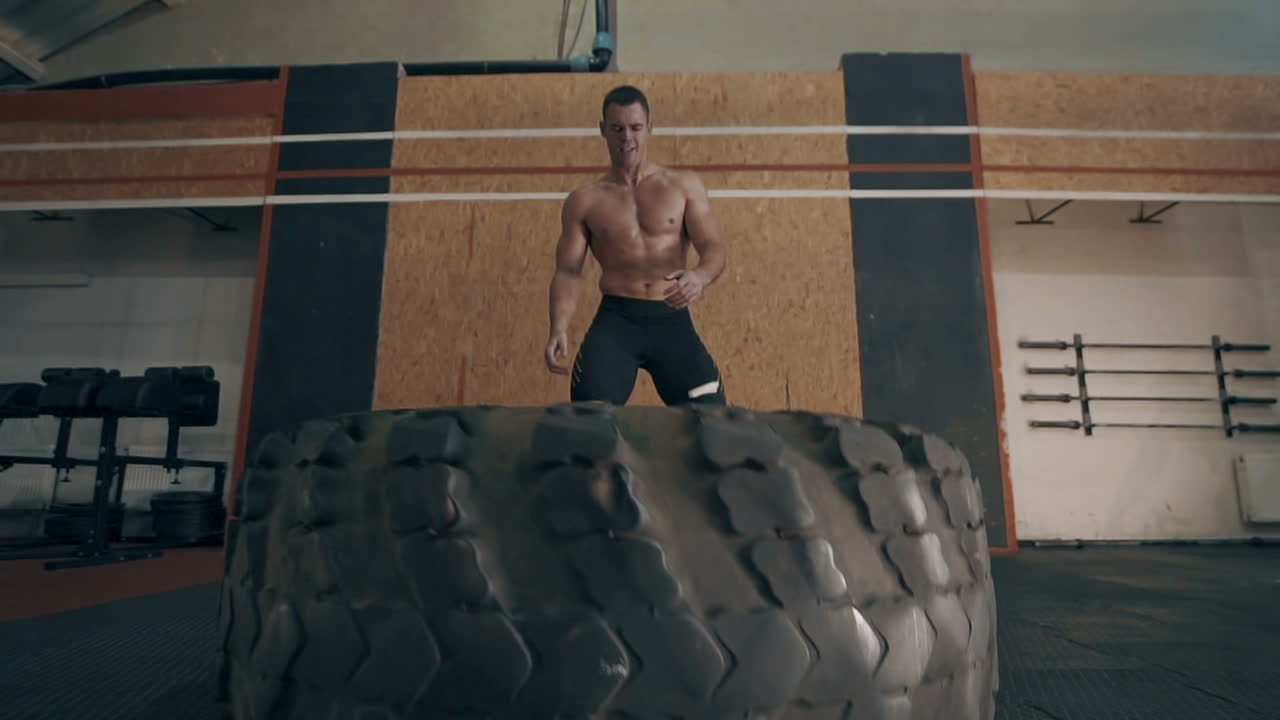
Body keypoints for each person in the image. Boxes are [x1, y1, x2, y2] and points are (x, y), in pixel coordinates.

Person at [544, 85, 728, 406]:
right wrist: (559, 327)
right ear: (603, 131)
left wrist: (700, 276)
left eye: (635, 128)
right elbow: (568, 272)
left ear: (650, 128)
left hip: (672, 320)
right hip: (617, 321)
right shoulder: (585, 201)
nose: (626, 138)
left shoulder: (682, 186)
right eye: (617, 128)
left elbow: (714, 247)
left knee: (712, 419)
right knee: (589, 418)